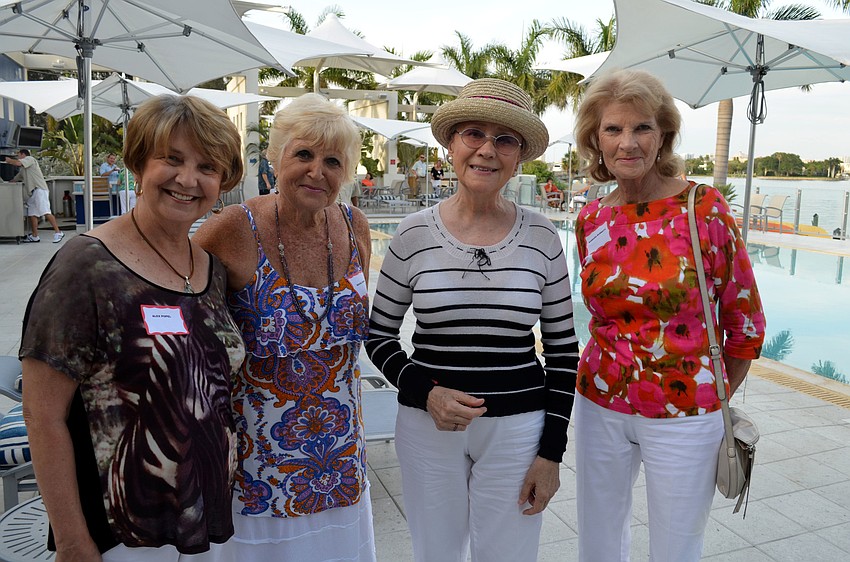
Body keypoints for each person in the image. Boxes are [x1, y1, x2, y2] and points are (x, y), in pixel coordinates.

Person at [19, 94, 246, 561]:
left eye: (208, 166)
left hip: (205, 517)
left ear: (222, 182)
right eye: (172, 159)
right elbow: (42, 415)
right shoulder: (86, 267)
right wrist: (72, 541)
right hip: (121, 530)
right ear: (139, 165)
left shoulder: (210, 269)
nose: (188, 179)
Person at [366, 78, 579, 562]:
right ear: (451, 144)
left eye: (505, 139)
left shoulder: (543, 238)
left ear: (520, 155)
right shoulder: (412, 234)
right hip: (426, 427)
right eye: (473, 134)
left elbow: (565, 352)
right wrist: (426, 391)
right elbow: (379, 336)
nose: (487, 149)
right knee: (435, 553)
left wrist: (551, 454)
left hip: (518, 431)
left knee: (509, 555)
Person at [571, 69, 766, 562]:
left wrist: (710, 396)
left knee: (676, 546)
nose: (627, 143)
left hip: (685, 412)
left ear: (663, 136)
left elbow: (745, 323)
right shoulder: (592, 218)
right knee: (598, 537)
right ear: (595, 140)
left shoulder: (704, 209)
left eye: (642, 128)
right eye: (613, 129)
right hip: (600, 402)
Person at [193, 93, 375, 561]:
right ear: (276, 159)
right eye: (304, 154)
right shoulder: (233, 228)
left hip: (339, 458)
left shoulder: (355, 226)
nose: (317, 170)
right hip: (257, 467)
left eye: (333, 160)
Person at [4, 149, 64, 243]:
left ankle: (58, 232)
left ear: (23, 154)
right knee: (32, 213)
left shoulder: (30, 159)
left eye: (18, 155)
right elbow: (15, 179)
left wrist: (9, 160)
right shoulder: (24, 169)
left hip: (40, 189)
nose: (18, 157)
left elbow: (18, 163)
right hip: (33, 193)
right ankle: (35, 235)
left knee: (45, 211)